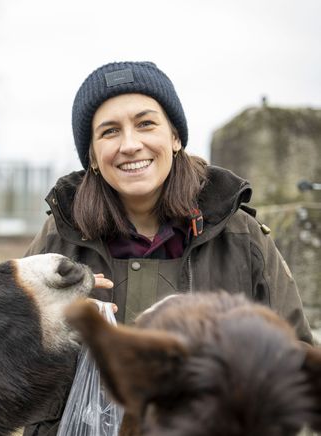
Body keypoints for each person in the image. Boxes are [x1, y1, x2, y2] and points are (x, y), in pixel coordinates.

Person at [21, 61, 313, 436]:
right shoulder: (58, 238)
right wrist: (56, 327)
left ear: (175, 137)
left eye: (146, 124)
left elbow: (297, 358)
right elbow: (6, 364)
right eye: (110, 132)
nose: (130, 145)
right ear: (92, 156)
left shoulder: (241, 236)